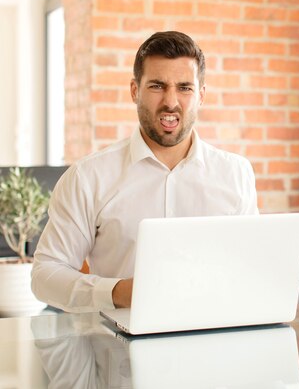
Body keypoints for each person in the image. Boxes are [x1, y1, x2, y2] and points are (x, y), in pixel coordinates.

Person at [32, 31, 258, 313]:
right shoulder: (88, 177)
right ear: (134, 91)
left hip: (215, 341)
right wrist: (118, 292)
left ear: (201, 95)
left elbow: (250, 267)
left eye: (185, 87)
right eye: (157, 86)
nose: (171, 102)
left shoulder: (236, 174)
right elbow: (45, 275)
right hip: (118, 349)